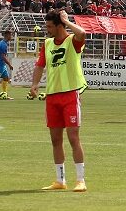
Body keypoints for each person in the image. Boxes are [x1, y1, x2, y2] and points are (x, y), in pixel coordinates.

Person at [29, 10, 88, 192]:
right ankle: (60, 180)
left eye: (49, 26)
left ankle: (80, 179)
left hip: (70, 94)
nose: (47, 30)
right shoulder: (47, 44)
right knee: (55, 140)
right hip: (52, 96)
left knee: (73, 137)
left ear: (59, 26)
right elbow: (40, 65)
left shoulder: (72, 41)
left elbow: (82, 33)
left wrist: (67, 21)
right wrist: (35, 84)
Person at [0, 30, 14, 99]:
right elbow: (3, 56)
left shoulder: (4, 43)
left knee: (6, 78)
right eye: (10, 35)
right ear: (7, 35)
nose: (11, 36)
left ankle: (5, 94)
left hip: (2, 64)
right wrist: (9, 64)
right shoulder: (3, 44)